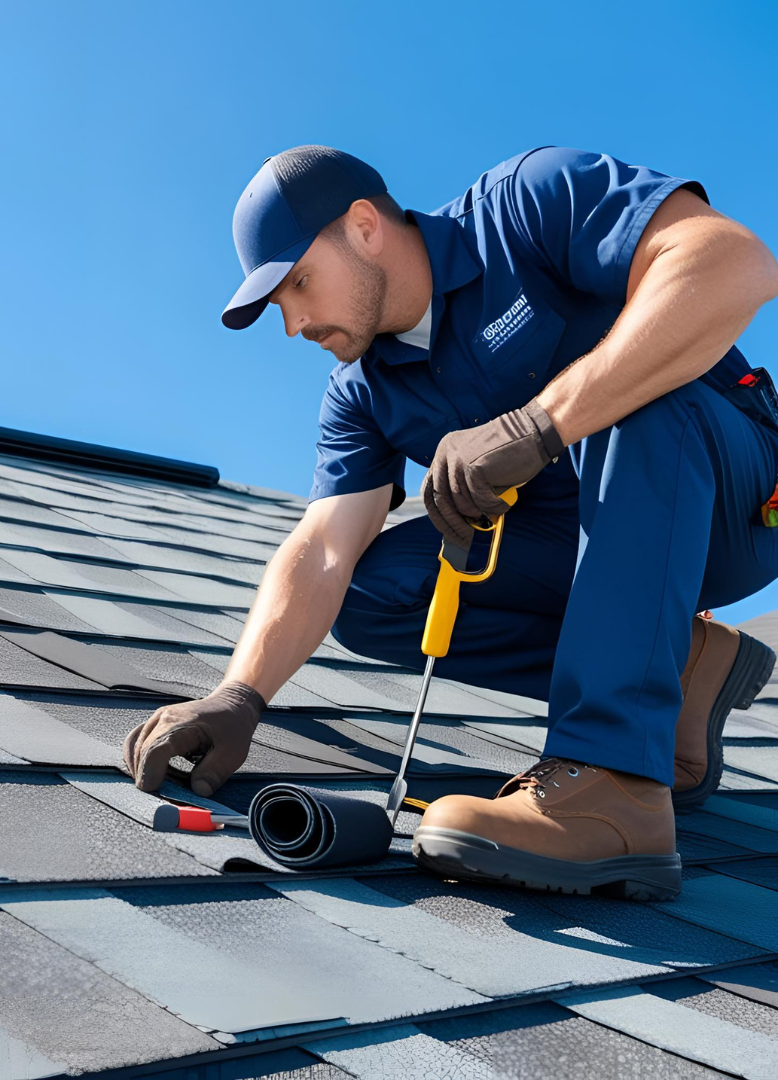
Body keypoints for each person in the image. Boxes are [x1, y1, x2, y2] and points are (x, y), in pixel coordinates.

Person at [123, 144, 778, 900]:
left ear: (364, 226)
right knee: (374, 594)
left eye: (299, 284)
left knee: (636, 394)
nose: (294, 323)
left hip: (738, 502)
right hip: (594, 550)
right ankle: (683, 674)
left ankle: (615, 782)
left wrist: (542, 423)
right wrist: (239, 696)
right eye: (278, 306)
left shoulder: (529, 205)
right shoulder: (362, 394)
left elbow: (735, 262)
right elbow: (325, 548)